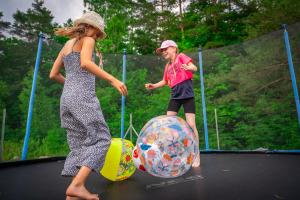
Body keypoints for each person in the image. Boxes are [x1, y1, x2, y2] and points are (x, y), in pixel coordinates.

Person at [50, 11, 127, 200]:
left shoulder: (66, 46)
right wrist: (112, 79)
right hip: (83, 97)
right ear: (91, 27)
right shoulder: (88, 40)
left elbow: (53, 75)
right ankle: (76, 186)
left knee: (78, 144)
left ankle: (73, 195)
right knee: (102, 139)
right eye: (97, 33)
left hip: (66, 99)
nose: (97, 37)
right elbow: (85, 63)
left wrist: (71, 84)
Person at [145, 40, 200, 167]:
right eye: (162, 50)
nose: (164, 52)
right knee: (168, 124)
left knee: (191, 124)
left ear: (174, 48)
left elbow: (194, 67)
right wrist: (154, 86)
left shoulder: (181, 57)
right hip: (175, 96)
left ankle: (196, 154)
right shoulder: (167, 66)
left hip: (187, 95)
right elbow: (165, 81)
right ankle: (172, 153)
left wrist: (189, 67)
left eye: (166, 49)